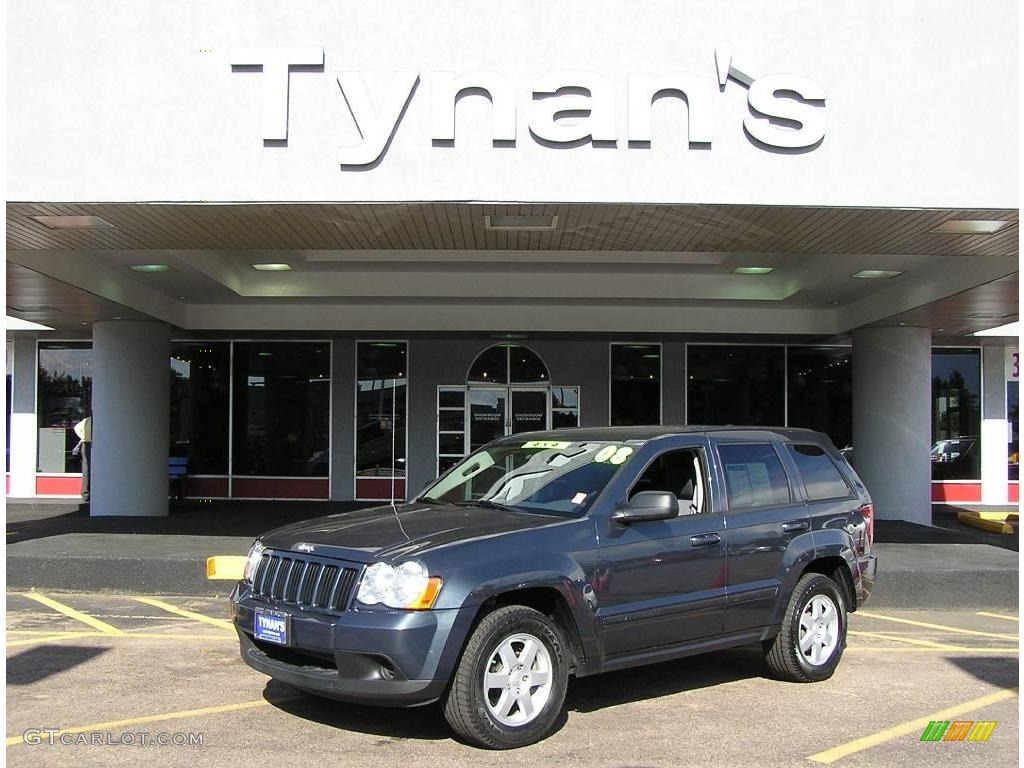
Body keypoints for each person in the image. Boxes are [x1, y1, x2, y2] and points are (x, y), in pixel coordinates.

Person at [72, 414, 92, 506]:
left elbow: (76, 428)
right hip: (90, 443)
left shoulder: (87, 420)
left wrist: (83, 437)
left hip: (86, 443)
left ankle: (85, 494)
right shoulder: (97, 420)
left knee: (86, 469)